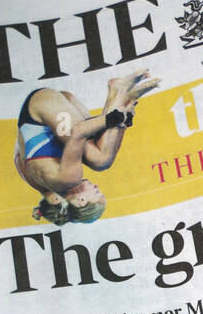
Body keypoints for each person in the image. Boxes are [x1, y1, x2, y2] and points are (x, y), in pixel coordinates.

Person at [13, 70, 159, 225]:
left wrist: (116, 119)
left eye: (97, 192)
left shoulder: (69, 179)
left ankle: (121, 97)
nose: (96, 186)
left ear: (81, 201)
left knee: (101, 160)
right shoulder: (49, 186)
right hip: (48, 109)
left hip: (44, 105)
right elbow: (19, 157)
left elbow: (79, 132)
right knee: (96, 158)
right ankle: (119, 98)